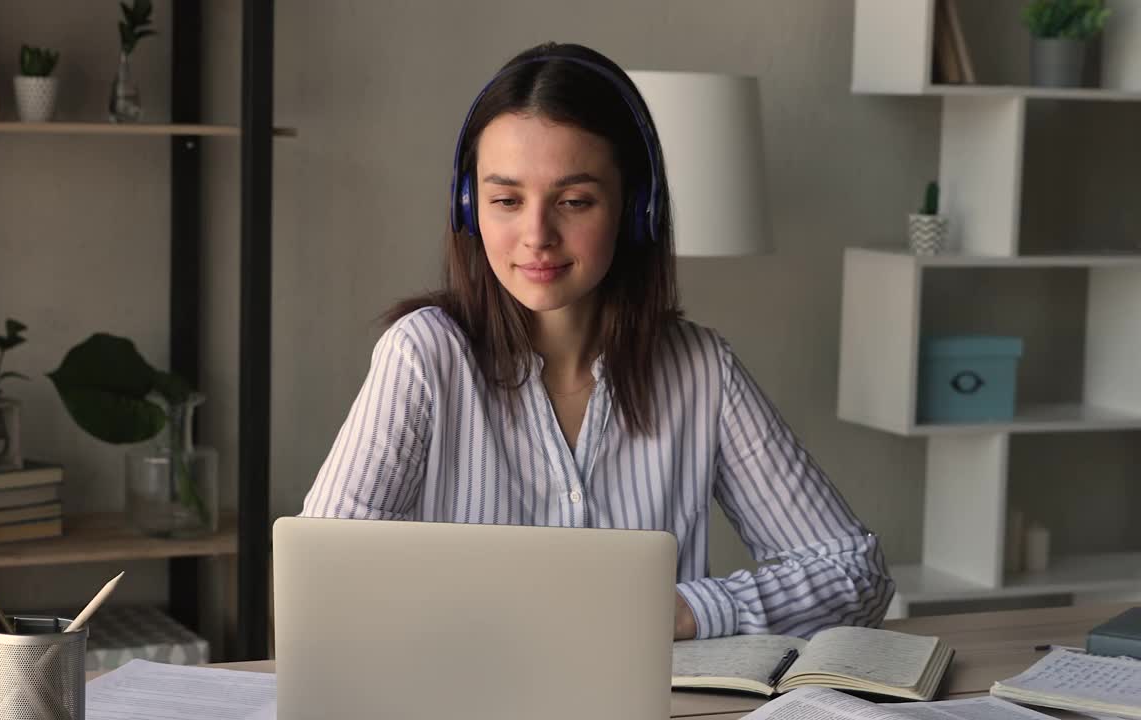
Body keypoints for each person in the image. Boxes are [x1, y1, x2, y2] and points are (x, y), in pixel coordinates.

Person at [300, 41, 894, 640]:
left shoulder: (701, 368)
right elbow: (322, 583)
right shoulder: (423, 355)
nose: (536, 235)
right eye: (505, 200)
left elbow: (856, 574)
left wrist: (685, 611)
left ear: (636, 210)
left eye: (574, 201)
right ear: (468, 207)